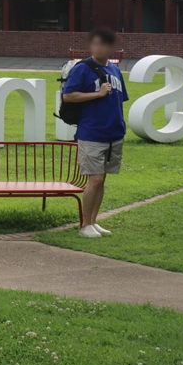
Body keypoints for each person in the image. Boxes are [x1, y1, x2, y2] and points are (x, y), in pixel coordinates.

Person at [63, 27, 129, 238]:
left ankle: (93, 221)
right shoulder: (82, 69)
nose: (98, 47)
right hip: (91, 132)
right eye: (95, 43)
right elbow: (68, 96)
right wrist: (97, 94)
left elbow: (119, 100)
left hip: (114, 132)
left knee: (103, 180)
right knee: (96, 179)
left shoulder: (115, 70)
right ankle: (84, 226)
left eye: (103, 44)